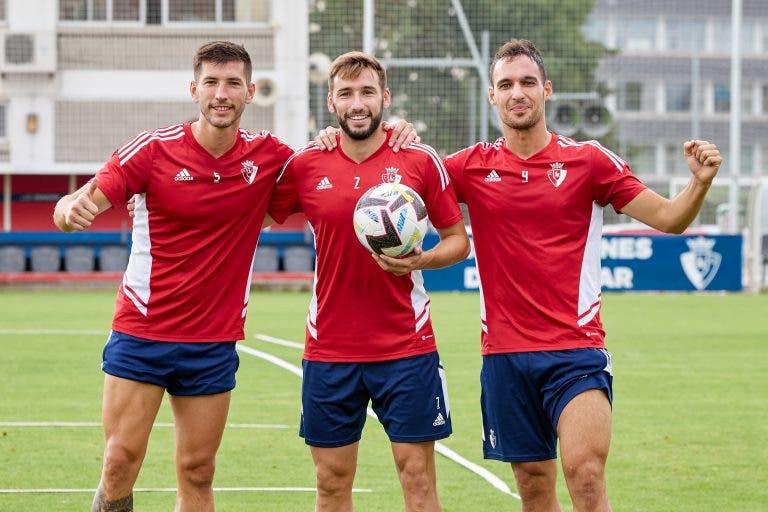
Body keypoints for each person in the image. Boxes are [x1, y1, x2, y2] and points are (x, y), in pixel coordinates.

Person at [52, 40, 416, 512]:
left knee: (198, 471)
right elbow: (81, 201)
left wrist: (393, 131)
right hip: (142, 333)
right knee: (120, 459)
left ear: (250, 91)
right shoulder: (152, 150)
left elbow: (335, 163)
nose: (220, 94)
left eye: (231, 84)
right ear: (194, 90)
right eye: (210, 83)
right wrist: (67, 210)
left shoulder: (271, 158)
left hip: (213, 341)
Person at [441, 39, 723, 511]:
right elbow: (403, 184)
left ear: (546, 90)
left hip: (576, 351)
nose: (517, 93)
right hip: (505, 355)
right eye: (505, 84)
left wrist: (699, 182)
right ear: (492, 96)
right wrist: (393, 138)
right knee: (533, 486)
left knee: (585, 475)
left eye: (528, 82)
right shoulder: (468, 167)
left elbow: (671, 219)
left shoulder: (588, 161)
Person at [266, 51, 470, 512]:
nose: (357, 103)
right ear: (332, 102)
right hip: (329, 349)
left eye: (367, 92)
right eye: (346, 94)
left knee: (417, 480)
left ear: (385, 98)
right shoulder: (306, 165)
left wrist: (422, 259)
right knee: (331, 483)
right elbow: (247, 215)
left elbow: (459, 241)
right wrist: (152, 207)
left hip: (406, 347)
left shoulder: (418, 159)